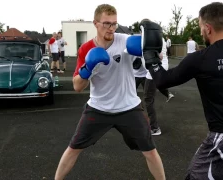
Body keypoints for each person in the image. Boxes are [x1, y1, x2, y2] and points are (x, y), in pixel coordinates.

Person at [137, 2, 223, 180]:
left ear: (208, 28)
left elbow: (163, 80)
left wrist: (150, 57)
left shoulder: (201, 59)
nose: (200, 32)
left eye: (200, 27)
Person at [54, 4, 165, 180]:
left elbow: (153, 54)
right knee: (74, 148)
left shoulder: (125, 41)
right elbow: (77, 86)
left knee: (150, 151)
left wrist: (153, 52)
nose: (111, 28)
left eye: (114, 24)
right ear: (95, 23)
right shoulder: (86, 49)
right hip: (98, 108)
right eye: (106, 23)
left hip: (129, 107)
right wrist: (87, 68)